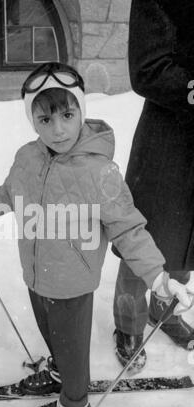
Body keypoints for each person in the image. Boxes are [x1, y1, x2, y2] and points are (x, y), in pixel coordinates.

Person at [0, 62, 193, 407]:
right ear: (32, 121)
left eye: (67, 115)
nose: (57, 129)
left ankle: (74, 406)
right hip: (35, 277)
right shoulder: (27, 158)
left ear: (81, 112)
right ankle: (60, 372)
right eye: (44, 120)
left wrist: (157, 277)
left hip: (73, 287)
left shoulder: (100, 173)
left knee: (72, 347)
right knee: (54, 339)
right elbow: (8, 193)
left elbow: (129, 228)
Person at [112, 0, 194, 373]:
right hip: (168, 140)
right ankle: (128, 324)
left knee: (187, 235)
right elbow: (146, 69)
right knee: (147, 234)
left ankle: (166, 306)